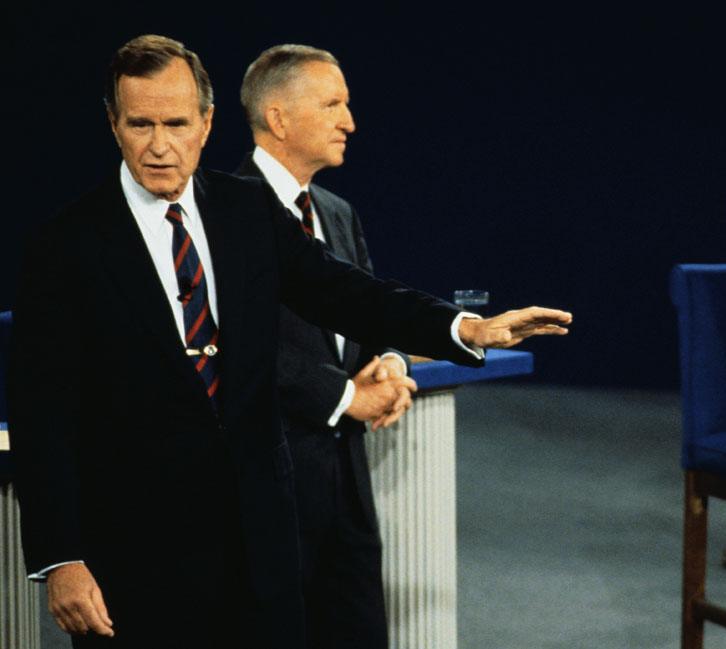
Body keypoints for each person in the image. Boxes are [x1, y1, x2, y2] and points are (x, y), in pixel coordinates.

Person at [7, 34, 571, 649]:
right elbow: (44, 418)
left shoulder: (244, 211)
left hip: (261, 550)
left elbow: (348, 292)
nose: (160, 145)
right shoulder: (64, 248)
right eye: (140, 124)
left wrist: (464, 328)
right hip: (137, 559)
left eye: (176, 122)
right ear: (113, 124)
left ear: (207, 122)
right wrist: (61, 558)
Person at [234, 44, 407, 649]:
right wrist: (342, 396)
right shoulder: (221, 213)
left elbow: (367, 316)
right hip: (268, 491)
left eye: (348, 105)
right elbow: (231, 343)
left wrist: (389, 364)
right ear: (279, 119)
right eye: (333, 104)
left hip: (348, 489)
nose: (349, 121)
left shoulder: (337, 212)